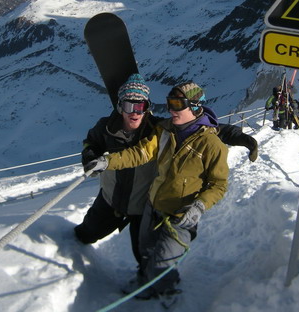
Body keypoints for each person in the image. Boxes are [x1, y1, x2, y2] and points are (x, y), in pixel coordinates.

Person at [75, 75, 258, 268]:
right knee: (87, 234)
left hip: (142, 204)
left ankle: (150, 288)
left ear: (148, 107)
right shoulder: (109, 127)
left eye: (141, 107)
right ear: (120, 106)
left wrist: (242, 138)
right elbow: (93, 143)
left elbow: (203, 130)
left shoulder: (158, 128)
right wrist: (92, 158)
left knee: (145, 256)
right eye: (129, 106)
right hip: (111, 200)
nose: (135, 112)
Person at [83, 81, 229, 303]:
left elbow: (218, 184)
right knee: (145, 251)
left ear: (196, 106)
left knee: (163, 262)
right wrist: (107, 161)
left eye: (178, 104)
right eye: (170, 103)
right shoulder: (165, 130)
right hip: (152, 206)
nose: (171, 109)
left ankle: (168, 292)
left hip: (181, 215)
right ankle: (145, 281)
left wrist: (199, 206)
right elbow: (139, 153)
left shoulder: (211, 145)